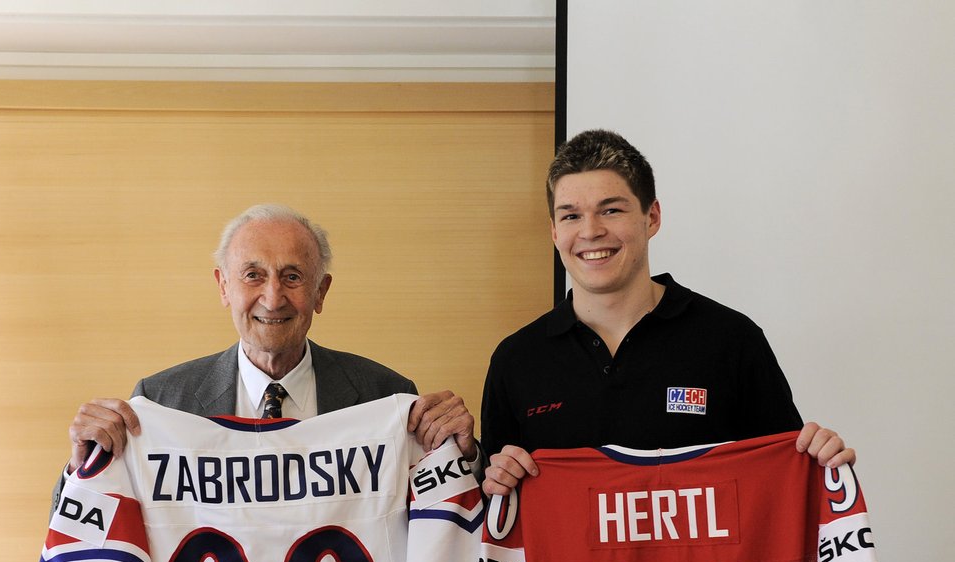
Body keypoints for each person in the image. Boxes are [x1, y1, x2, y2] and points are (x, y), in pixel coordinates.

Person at [481, 129, 854, 496]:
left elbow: (784, 484)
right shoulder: (516, 360)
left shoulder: (732, 340)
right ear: (554, 232)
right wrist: (493, 479)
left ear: (652, 217)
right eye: (571, 216)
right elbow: (496, 519)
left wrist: (820, 467)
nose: (591, 231)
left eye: (611, 210)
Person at [60, 203, 477, 487]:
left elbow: (443, 526)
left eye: (293, 277)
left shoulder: (386, 396)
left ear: (320, 292)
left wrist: (463, 457)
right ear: (224, 286)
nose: (273, 298)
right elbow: (96, 535)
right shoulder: (161, 403)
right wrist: (85, 469)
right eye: (253, 275)